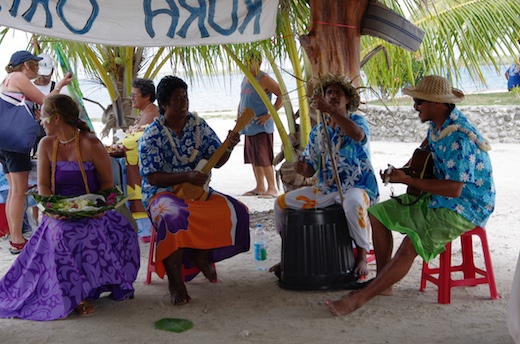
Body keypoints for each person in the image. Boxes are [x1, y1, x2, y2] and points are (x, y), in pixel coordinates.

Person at [325, 75, 496, 316]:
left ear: (436, 103)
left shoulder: (459, 137)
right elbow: (423, 158)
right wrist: (400, 173)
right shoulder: (437, 127)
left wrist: (410, 181)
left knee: (410, 243)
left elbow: (455, 189)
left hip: (467, 205)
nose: (414, 106)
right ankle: (383, 284)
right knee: (377, 214)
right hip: (439, 196)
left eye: (418, 101)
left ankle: (360, 299)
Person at [0, 94, 140, 320]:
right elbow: (44, 184)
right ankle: (77, 295)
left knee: (89, 231)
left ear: (56, 118)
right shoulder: (46, 144)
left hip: (93, 210)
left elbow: (107, 183)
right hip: (58, 212)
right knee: (62, 232)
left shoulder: (91, 143)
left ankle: (89, 287)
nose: (41, 122)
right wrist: (51, 209)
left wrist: (98, 208)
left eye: (43, 118)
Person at [139, 76, 250, 305]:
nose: (184, 102)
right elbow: (152, 176)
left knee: (235, 210)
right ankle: (175, 282)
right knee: (173, 216)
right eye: (177, 99)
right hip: (161, 193)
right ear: (164, 105)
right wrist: (186, 175)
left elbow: (216, 162)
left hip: (196, 191)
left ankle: (201, 253)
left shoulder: (199, 125)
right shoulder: (152, 134)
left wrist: (228, 147)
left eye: (185, 97)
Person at [273, 74, 379, 278]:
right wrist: (303, 169)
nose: (332, 96)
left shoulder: (357, 121)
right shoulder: (318, 131)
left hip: (359, 187)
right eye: (329, 92)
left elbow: (357, 135)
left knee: (353, 203)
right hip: (326, 189)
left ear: (347, 99)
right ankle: (289, 254)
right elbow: (311, 169)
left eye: (337, 92)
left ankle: (362, 256)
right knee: (281, 204)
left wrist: (331, 111)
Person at [0, 50, 72, 254]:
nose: (38, 70)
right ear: (26, 65)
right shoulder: (19, 77)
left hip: (4, 142)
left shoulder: (7, 79)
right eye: (35, 64)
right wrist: (60, 85)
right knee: (19, 191)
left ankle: (15, 236)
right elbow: (46, 100)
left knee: (14, 190)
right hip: (15, 142)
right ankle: (16, 239)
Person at [238, 50, 283, 198]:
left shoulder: (263, 78)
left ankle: (272, 188)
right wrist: (239, 116)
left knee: (264, 157)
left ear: (259, 62)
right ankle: (260, 186)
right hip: (248, 124)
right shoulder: (246, 77)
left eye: (250, 61)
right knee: (253, 157)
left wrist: (269, 115)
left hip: (261, 125)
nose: (247, 64)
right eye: (245, 61)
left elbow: (282, 94)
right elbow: (243, 99)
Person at [120, 78, 160, 237]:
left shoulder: (152, 112)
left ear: (147, 96)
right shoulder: (145, 112)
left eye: (134, 95)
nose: (131, 98)